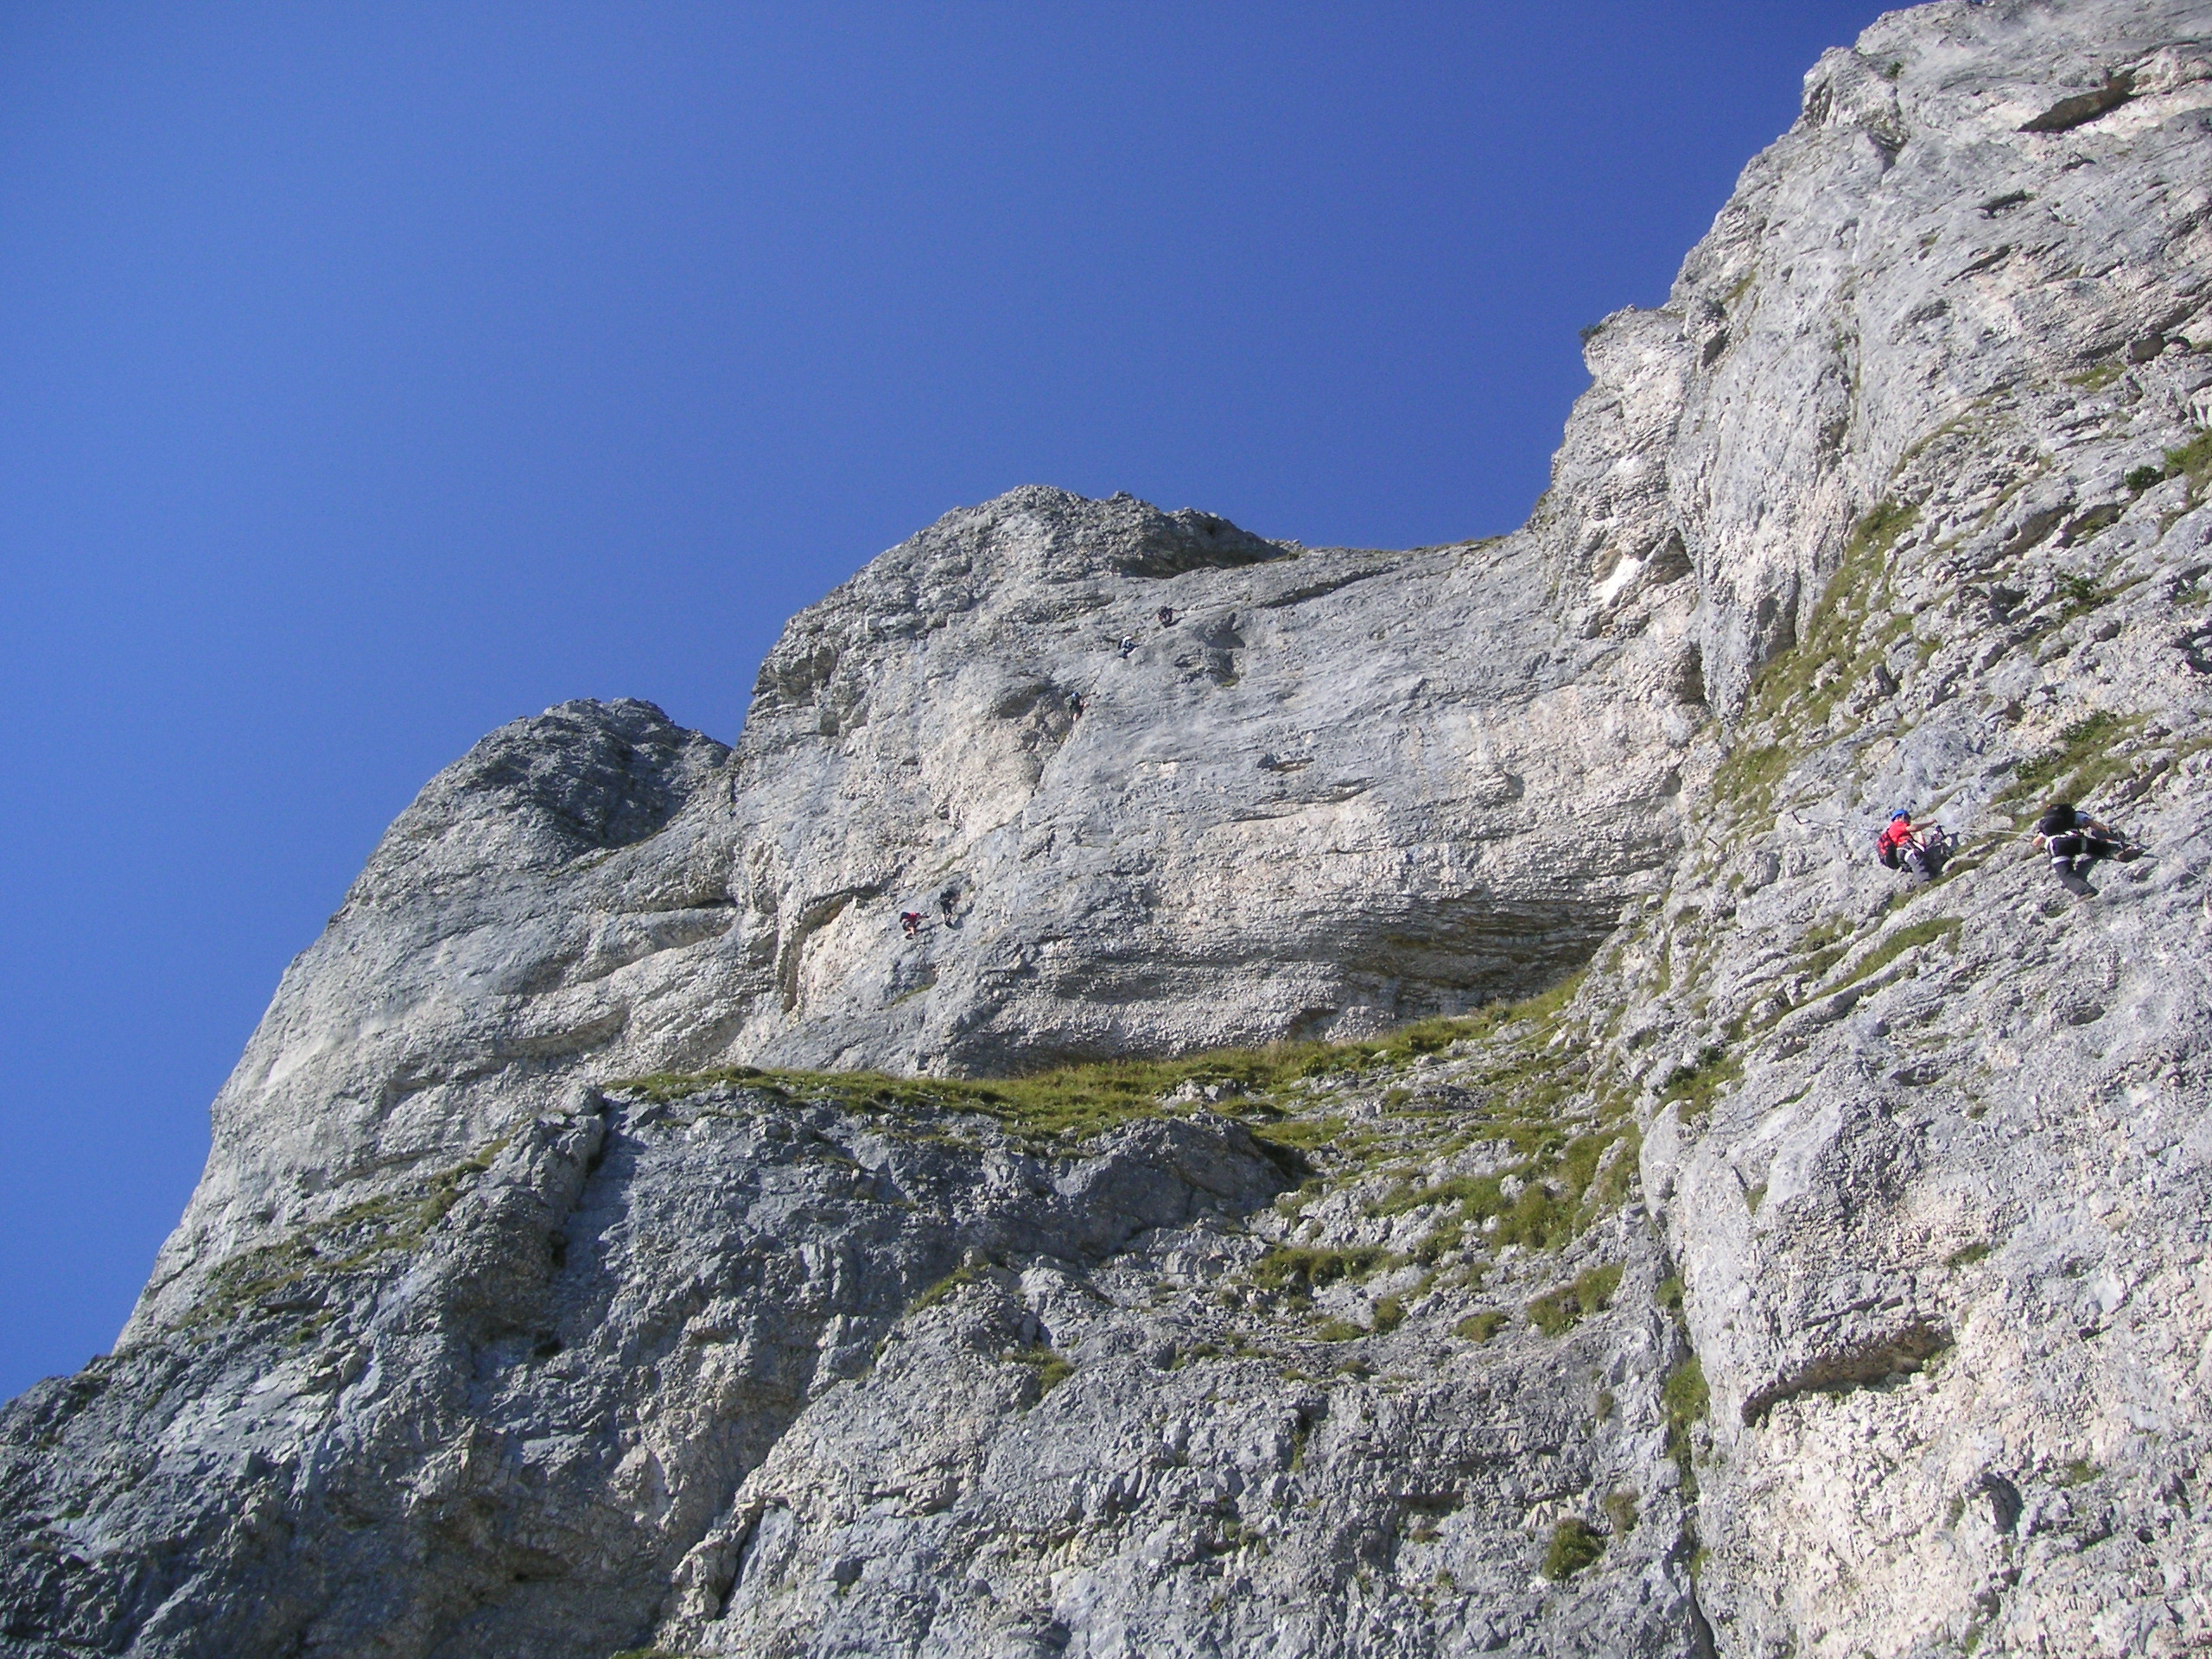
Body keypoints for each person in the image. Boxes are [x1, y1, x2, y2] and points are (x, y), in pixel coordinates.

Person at [2034, 801, 2124, 875]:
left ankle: (2074, 879)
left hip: (2058, 846)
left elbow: (2036, 843)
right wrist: (2104, 829)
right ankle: (2114, 852)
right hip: (2076, 840)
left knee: (2066, 869)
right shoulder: (2076, 815)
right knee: (2096, 846)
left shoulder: (2050, 824)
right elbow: (2092, 824)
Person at [1876, 810, 1948, 880]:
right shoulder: (1896, 825)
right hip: (1906, 850)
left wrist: (1919, 833)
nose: (1909, 821)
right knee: (1920, 868)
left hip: (1904, 852)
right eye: (1906, 817)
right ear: (1899, 818)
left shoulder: (1903, 834)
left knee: (1923, 864)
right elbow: (1914, 828)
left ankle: (1929, 881)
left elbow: (1921, 846)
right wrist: (1930, 823)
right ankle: (1926, 882)